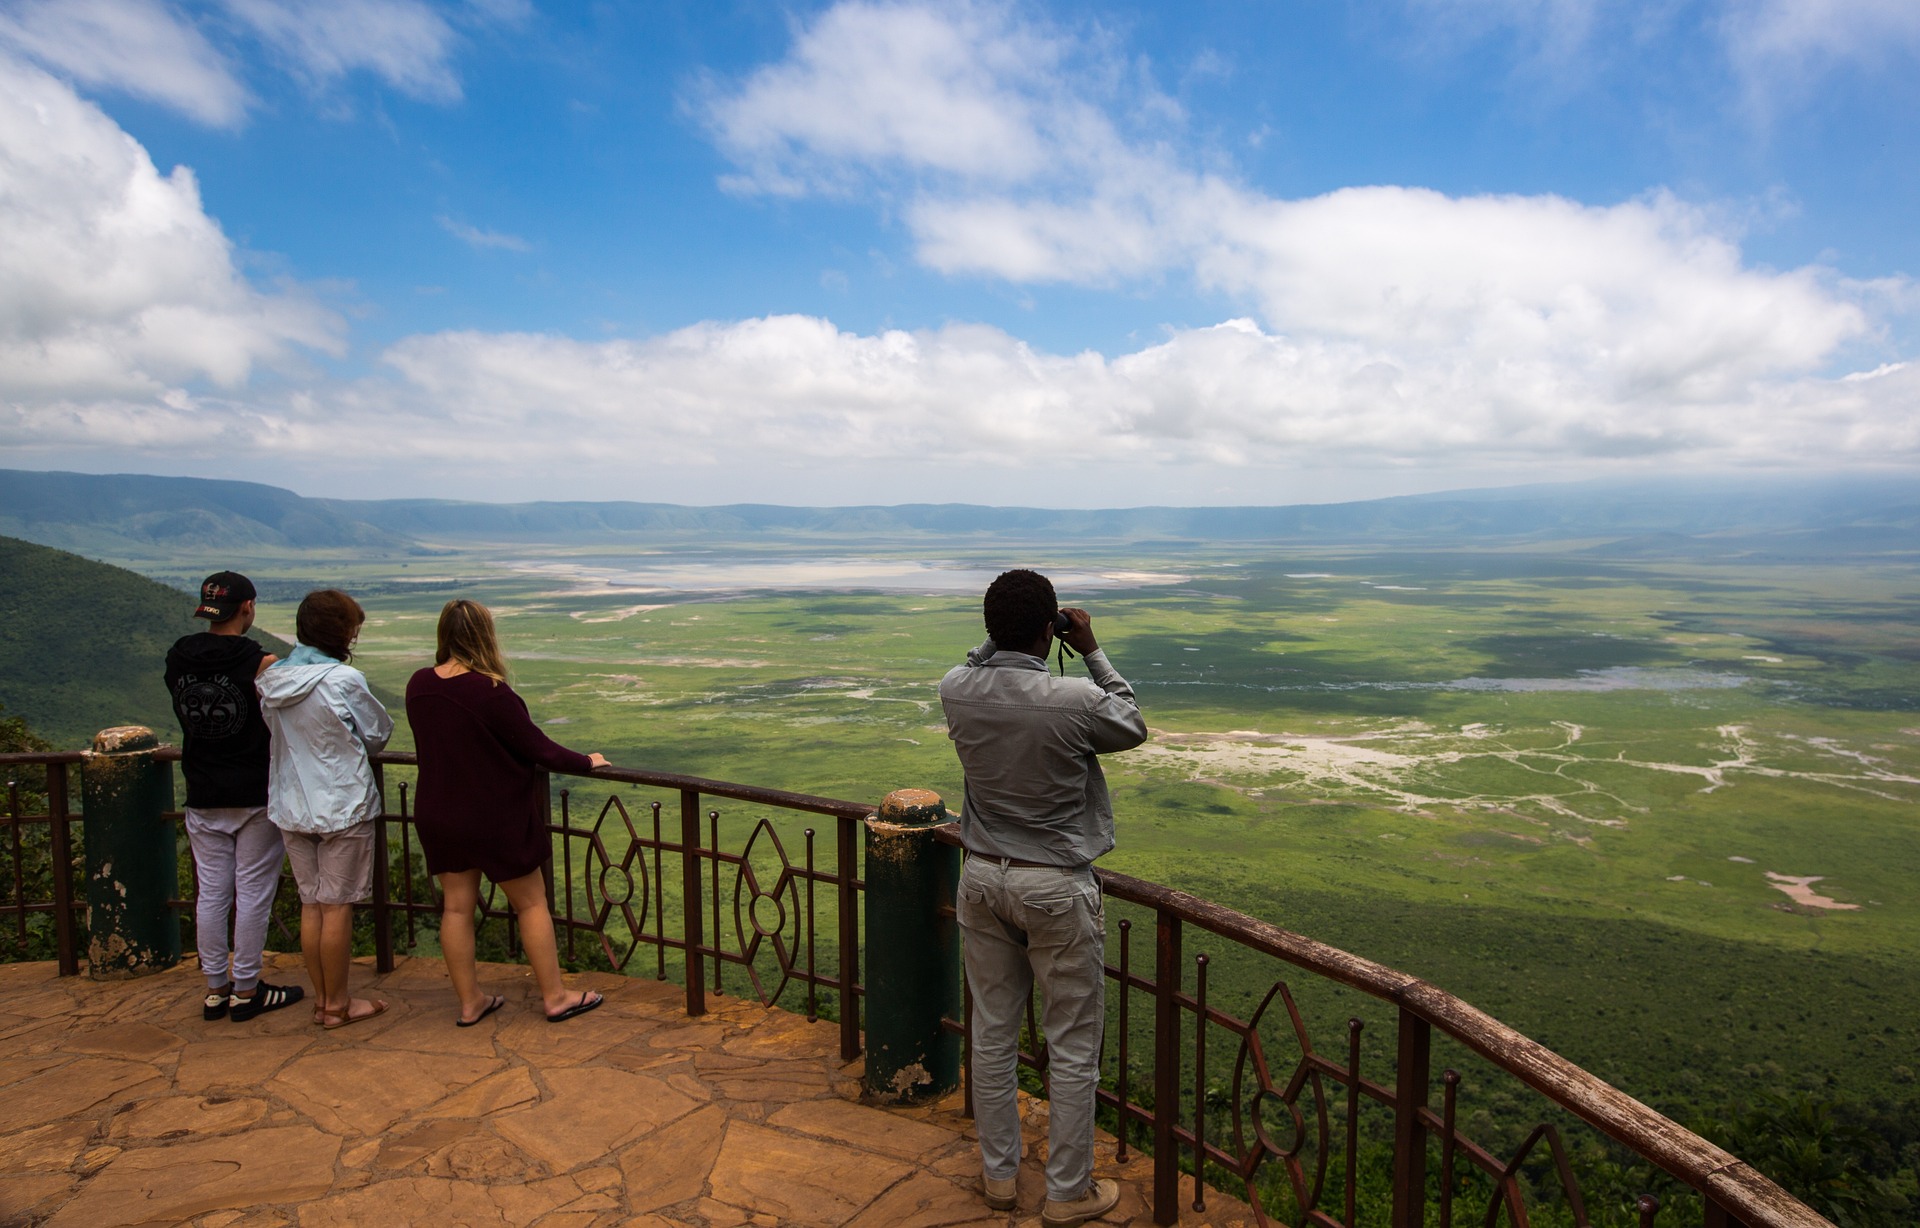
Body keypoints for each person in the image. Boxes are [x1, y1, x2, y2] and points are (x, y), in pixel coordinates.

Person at [939, 569, 1148, 1228]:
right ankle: (1067, 1192)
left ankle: (1000, 1180)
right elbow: (1132, 722)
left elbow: (980, 661)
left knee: (993, 1037)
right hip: (1055, 885)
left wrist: (1002, 641)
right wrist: (1089, 646)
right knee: (1073, 1045)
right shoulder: (1076, 700)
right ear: (1048, 628)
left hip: (981, 877)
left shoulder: (957, 690)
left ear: (991, 627)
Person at [404, 599, 609, 1026]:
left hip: (438, 813)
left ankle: (470, 1002)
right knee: (531, 904)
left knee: (456, 909)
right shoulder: (491, 691)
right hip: (492, 816)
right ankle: (555, 996)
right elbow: (537, 747)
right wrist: (585, 762)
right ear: (485, 635)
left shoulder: (418, 685)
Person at [164, 571, 305, 1023]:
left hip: (202, 789)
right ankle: (246, 990)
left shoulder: (178, 658)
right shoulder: (261, 663)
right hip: (253, 791)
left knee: (211, 893)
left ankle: (214, 990)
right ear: (248, 607)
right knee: (253, 893)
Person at [257, 589, 394, 1029]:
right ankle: (338, 1004)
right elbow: (376, 735)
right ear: (341, 632)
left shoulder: (273, 680)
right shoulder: (342, 680)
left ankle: (321, 1001)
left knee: (311, 905)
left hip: (290, 804)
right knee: (337, 907)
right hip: (342, 804)